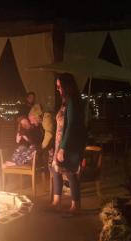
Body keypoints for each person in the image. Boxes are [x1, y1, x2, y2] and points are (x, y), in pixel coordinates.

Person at [48, 73, 86, 216]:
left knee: (70, 173)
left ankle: (76, 206)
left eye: (59, 86)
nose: (58, 89)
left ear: (67, 86)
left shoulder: (73, 102)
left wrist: (63, 148)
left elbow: (72, 126)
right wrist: (56, 146)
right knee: (55, 169)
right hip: (60, 142)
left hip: (68, 144)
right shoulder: (66, 101)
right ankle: (56, 202)